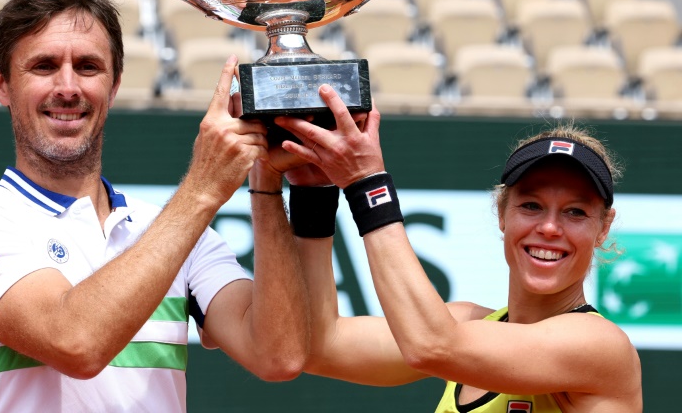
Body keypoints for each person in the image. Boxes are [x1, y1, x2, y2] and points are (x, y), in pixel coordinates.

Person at [0, 0, 309, 412]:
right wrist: (202, 189)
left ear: (115, 83)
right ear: (1, 83)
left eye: (88, 66)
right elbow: (76, 343)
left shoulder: (183, 233)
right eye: (44, 66)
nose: (67, 88)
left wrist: (265, 181)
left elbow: (278, 355)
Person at [273, 84, 643, 412]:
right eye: (531, 205)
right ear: (502, 214)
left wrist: (367, 184)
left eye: (575, 212)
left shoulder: (600, 344)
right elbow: (320, 345)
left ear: (602, 228)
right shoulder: (467, 324)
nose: (549, 227)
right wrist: (312, 192)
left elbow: (431, 346)